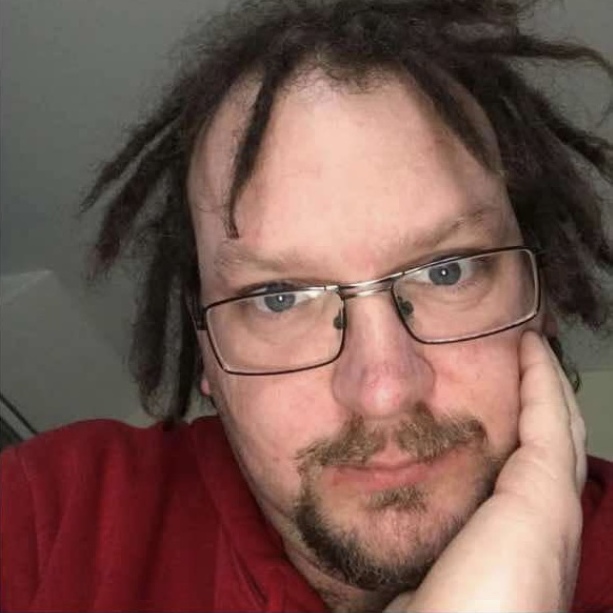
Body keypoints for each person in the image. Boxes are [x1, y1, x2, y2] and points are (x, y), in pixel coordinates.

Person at [2, 0, 613, 611]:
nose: (383, 391)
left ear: (541, 291)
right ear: (205, 346)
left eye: (445, 272)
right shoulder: (46, 520)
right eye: (280, 298)